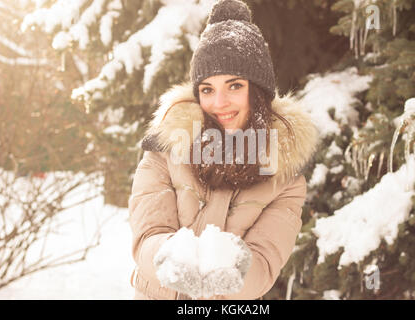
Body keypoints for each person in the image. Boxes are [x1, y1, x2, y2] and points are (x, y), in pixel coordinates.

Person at [128, 0, 318, 300]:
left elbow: (264, 262)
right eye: (207, 89)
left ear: (256, 91)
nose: (219, 103)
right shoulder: (165, 150)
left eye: (234, 86)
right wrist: (171, 256)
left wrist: (230, 268)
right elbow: (147, 237)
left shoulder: (285, 174)